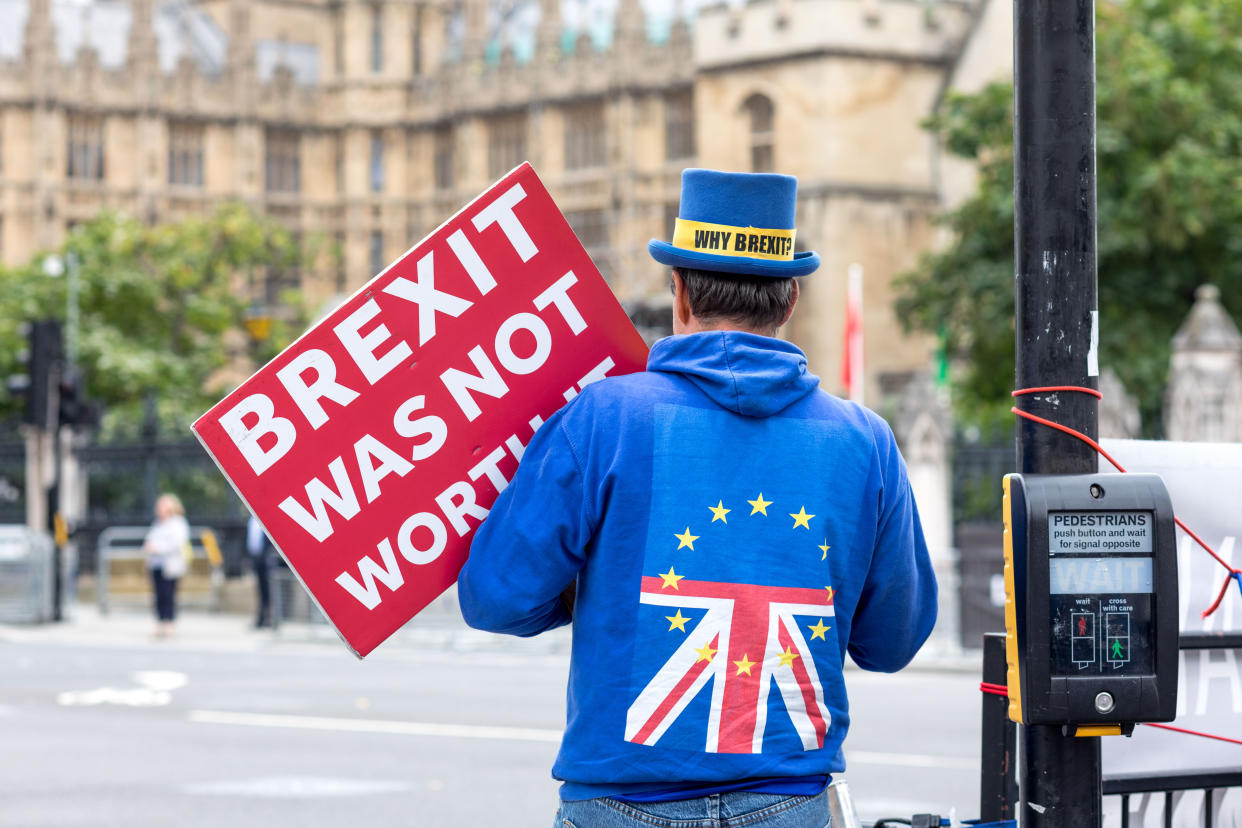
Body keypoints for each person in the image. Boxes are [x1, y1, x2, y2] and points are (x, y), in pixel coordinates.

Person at [458, 168, 938, 828]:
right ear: (790, 298)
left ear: (679, 291)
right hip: (791, 802)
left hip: (620, 806)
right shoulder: (865, 442)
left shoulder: (605, 418)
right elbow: (894, 641)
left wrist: (595, 588)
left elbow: (495, 596)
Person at [144, 492, 190, 638]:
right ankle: (160, 621)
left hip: (170, 564)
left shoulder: (178, 523)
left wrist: (159, 548)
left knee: (168, 593)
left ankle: (169, 621)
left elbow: (177, 543)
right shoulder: (157, 523)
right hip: (156, 564)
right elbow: (150, 538)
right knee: (158, 594)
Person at [245, 513, 275, 629]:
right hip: (256, 558)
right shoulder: (251, 520)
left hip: (266, 559)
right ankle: (261, 617)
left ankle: (268, 617)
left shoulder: (265, 518)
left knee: (268, 590)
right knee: (260, 589)